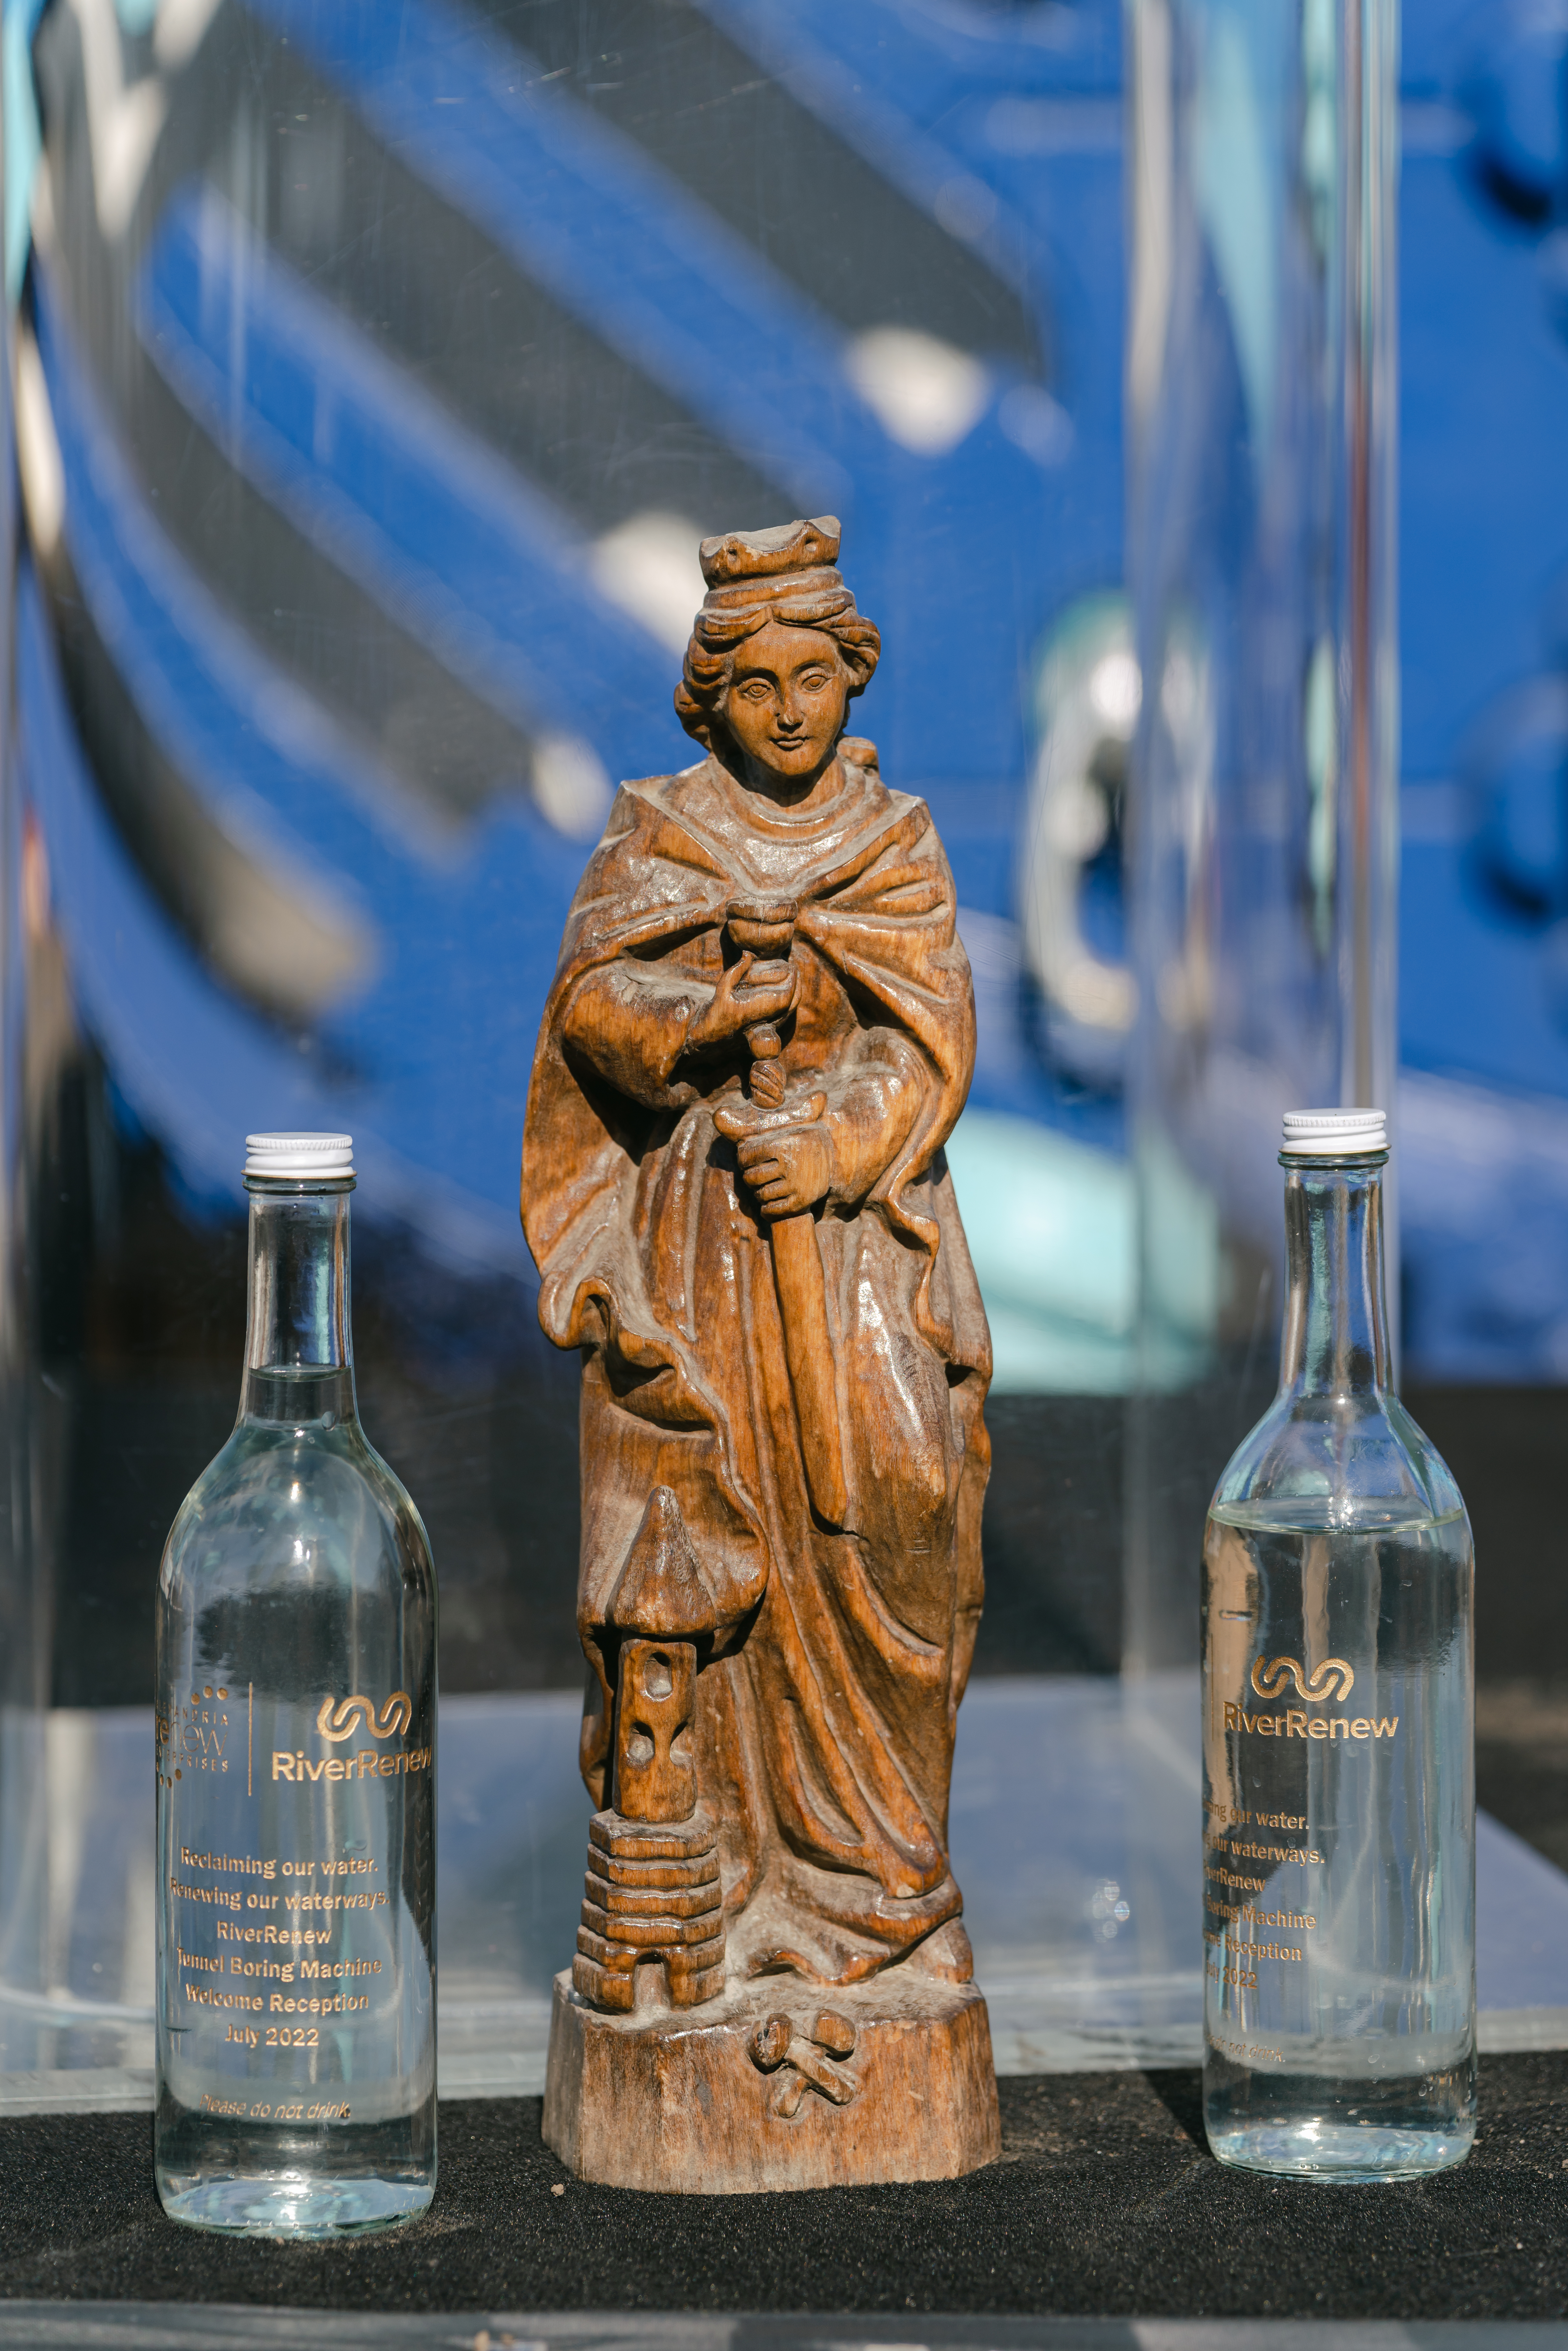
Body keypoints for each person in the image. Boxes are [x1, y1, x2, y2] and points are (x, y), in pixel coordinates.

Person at [521, 516, 991, 1986]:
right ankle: (720, 1891)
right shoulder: (662, 831)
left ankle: (881, 1880)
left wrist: (840, 1143)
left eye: (817, 677)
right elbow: (592, 1004)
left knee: (899, 1503)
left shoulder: (894, 846)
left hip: (857, 1245)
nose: (791, 710)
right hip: (707, 1248)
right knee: (718, 1543)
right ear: (706, 697)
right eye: (756, 685)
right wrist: (707, 1023)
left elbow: (930, 1043)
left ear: (854, 676)